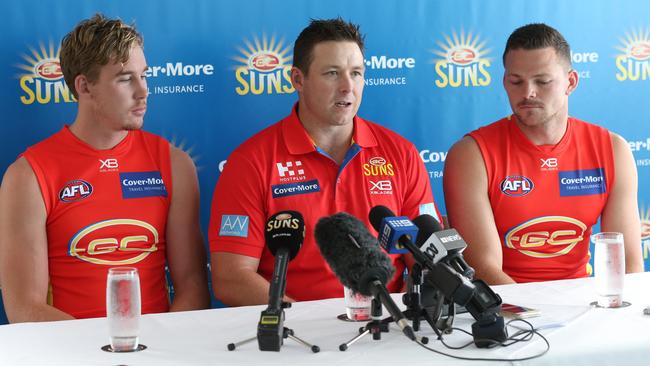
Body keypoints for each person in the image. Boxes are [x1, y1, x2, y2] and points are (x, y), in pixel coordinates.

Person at [209, 18, 441, 306]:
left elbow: (428, 257)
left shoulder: (401, 153)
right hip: (295, 334)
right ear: (297, 79)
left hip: (387, 324)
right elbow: (231, 278)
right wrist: (305, 324)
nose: (347, 87)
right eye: (332, 73)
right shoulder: (250, 162)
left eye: (356, 73)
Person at [0, 14, 210, 322]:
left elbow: (193, 286)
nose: (143, 91)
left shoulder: (174, 164)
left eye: (145, 75)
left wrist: (150, 349)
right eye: (126, 79)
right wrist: (108, 352)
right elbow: (24, 308)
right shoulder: (29, 175)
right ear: (85, 87)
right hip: (71, 353)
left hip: (156, 350)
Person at [443, 23, 643, 285]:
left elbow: (628, 262)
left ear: (570, 82)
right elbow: (483, 267)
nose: (528, 93)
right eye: (516, 81)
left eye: (542, 81)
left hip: (582, 303)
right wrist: (536, 318)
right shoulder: (471, 154)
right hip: (508, 309)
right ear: (505, 82)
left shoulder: (613, 149)